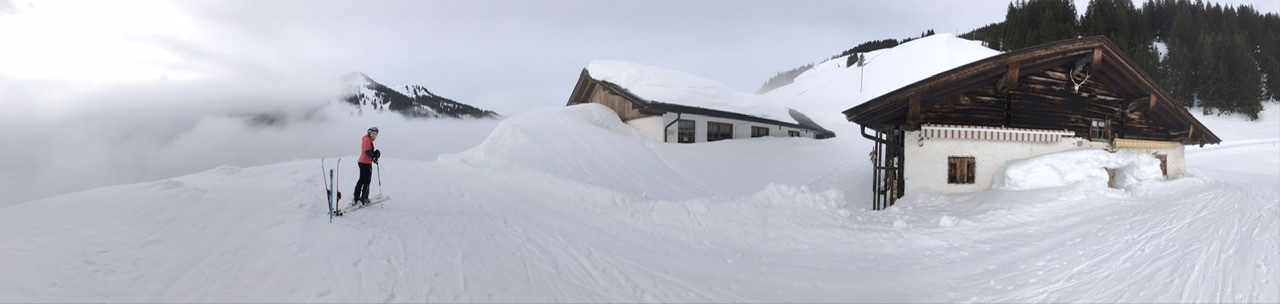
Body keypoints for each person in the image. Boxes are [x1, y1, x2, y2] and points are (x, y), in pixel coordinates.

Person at [353, 127, 380, 205]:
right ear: (369, 133)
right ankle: (363, 198)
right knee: (367, 181)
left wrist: (374, 157)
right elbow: (367, 151)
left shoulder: (369, 140)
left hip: (364, 162)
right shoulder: (366, 139)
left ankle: (357, 197)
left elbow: (369, 153)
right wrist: (374, 155)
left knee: (362, 180)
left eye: (375, 134)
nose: (374, 135)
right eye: (372, 133)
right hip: (365, 163)